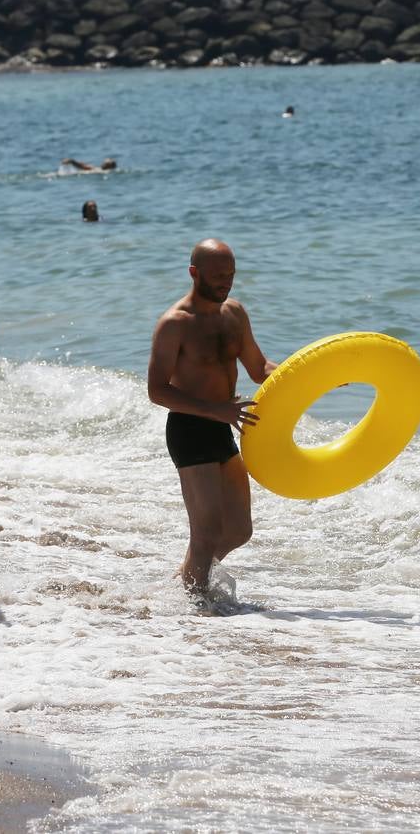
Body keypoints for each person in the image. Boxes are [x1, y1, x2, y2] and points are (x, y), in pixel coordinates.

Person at [147, 239, 278, 595]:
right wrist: (215, 410)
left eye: (231, 275)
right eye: (218, 275)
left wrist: (314, 375)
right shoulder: (175, 324)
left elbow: (259, 367)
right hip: (190, 429)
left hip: (223, 426)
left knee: (238, 529)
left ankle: (187, 577)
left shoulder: (234, 314)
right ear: (194, 273)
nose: (226, 282)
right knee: (205, 531)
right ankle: (195, 612)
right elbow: (157, 390)